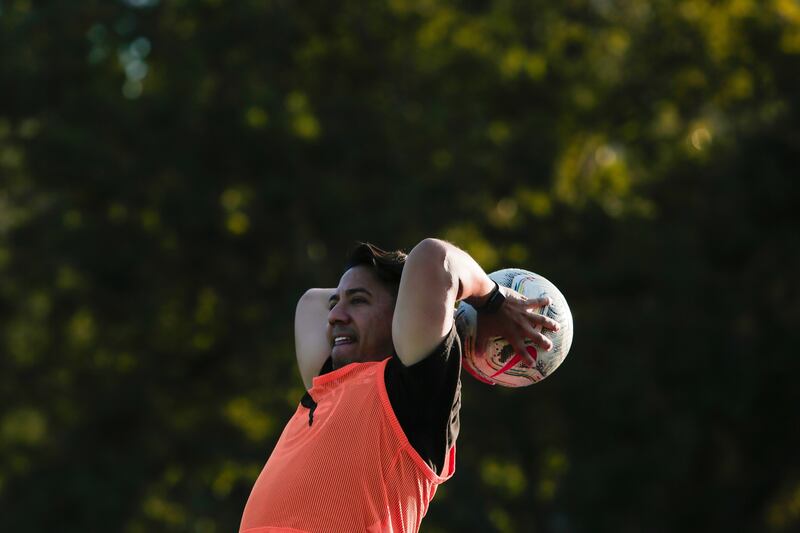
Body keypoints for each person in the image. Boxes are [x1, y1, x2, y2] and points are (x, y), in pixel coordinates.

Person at [239, 238, 560, 532]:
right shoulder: (327, 385)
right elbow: (311, 302)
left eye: (358, 301)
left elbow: (434, 259)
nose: (335, 315)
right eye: (338, 302)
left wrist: (493, 299)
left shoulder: (410, 394)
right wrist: (364, 292)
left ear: (402, 315)